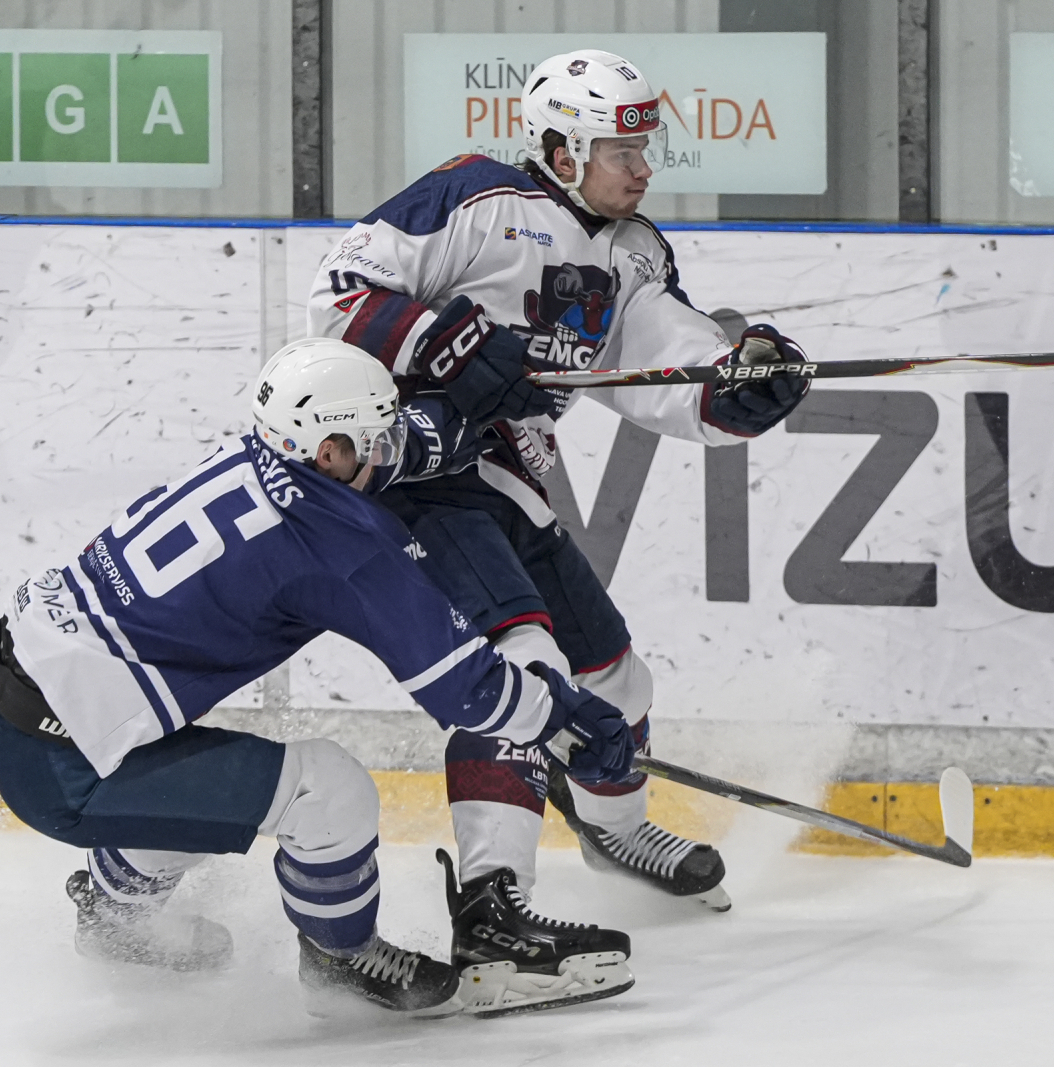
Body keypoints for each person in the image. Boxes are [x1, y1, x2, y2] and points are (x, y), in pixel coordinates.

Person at [307, 50, 812, 945]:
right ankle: (491, 903)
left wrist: (737, 386)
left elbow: (666, 369)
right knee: (524, 669)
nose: (643, 169)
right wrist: (449, 343)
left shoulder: (633, 252)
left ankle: (615, 830)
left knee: (616, 679)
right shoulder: (476, 198)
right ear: (561, 150)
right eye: (622, 152)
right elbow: (340, 295)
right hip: (411, 472)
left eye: (646, 149)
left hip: (506, 478)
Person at [0, 338, 639, 1018]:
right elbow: (465, 686)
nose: (388, 449)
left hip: (17, 703)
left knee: (190, 795)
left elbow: (383, 453)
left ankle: (115, 919)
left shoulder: (259, 454)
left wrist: (469, 415)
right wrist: (568, 718)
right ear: (329, 451)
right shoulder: (335, 543)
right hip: (70, 768)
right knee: (328, 790)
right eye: (375, 438)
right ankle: (340, 960)